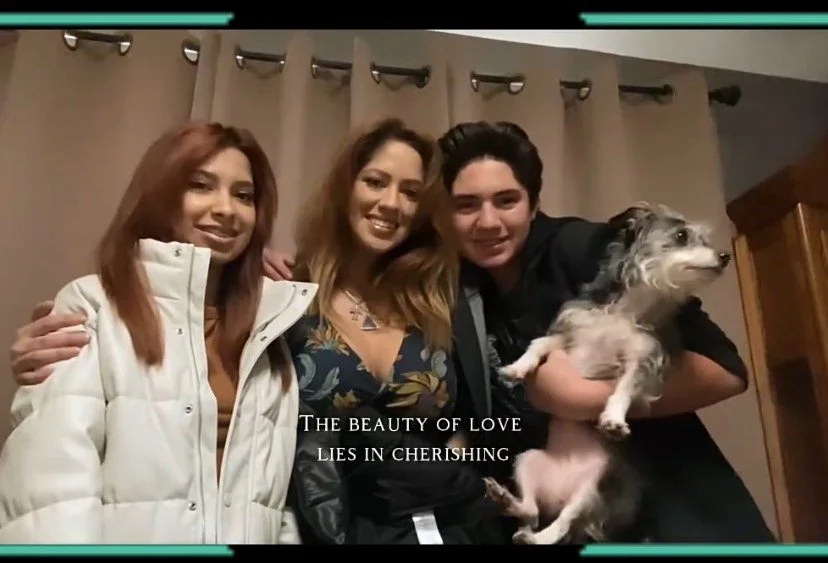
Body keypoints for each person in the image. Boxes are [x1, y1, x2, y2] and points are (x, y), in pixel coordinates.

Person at [222, 120, 777, 543]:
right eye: (465, 205)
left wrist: (582, 398)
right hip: (548, 523)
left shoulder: (582, 250)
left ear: (533, 204)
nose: (488, 222)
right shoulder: (457, 289)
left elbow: (726, 370)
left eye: (506, 201)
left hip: (675, 516)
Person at [7, 117, 505, 545]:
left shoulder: (445, 299)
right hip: (324, 531)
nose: (392, 202)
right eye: (375, 181)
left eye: (412, 192)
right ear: (345, 188)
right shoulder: (285, 302)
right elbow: (53, 489)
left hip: (435, 528)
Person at [0, 122, 317, 543]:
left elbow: (273, 503)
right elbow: (51, 496)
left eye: (244, 195)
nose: (226, 208)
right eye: (201, 186)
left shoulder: (267, 329)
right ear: (161, 194)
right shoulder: (93, 305)